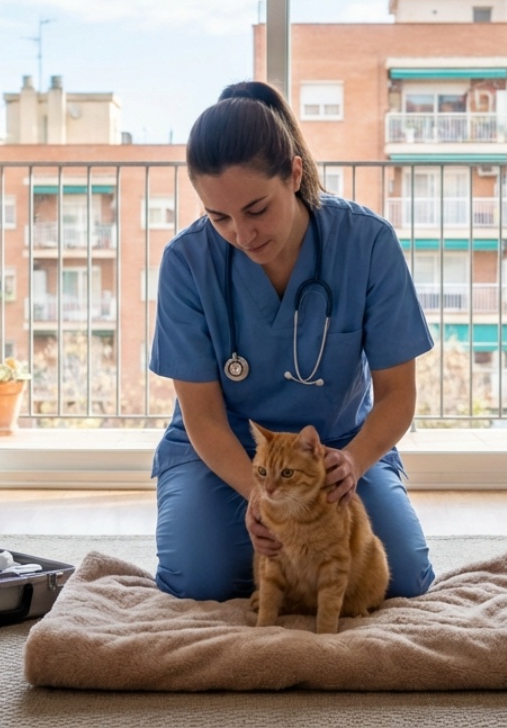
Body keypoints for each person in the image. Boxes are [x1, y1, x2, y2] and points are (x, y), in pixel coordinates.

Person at [149, 79, 437, 602]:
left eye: (256, 209)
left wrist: (354, 460)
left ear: (294, 174)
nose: (242, 233)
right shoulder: (187, 263)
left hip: (338, 455)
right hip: (229, 454)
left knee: (400, 581)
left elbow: (398, 394)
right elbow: (203, 417)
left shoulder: (367, 243)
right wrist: (258, 497)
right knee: (201, 580)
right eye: (219, 217)